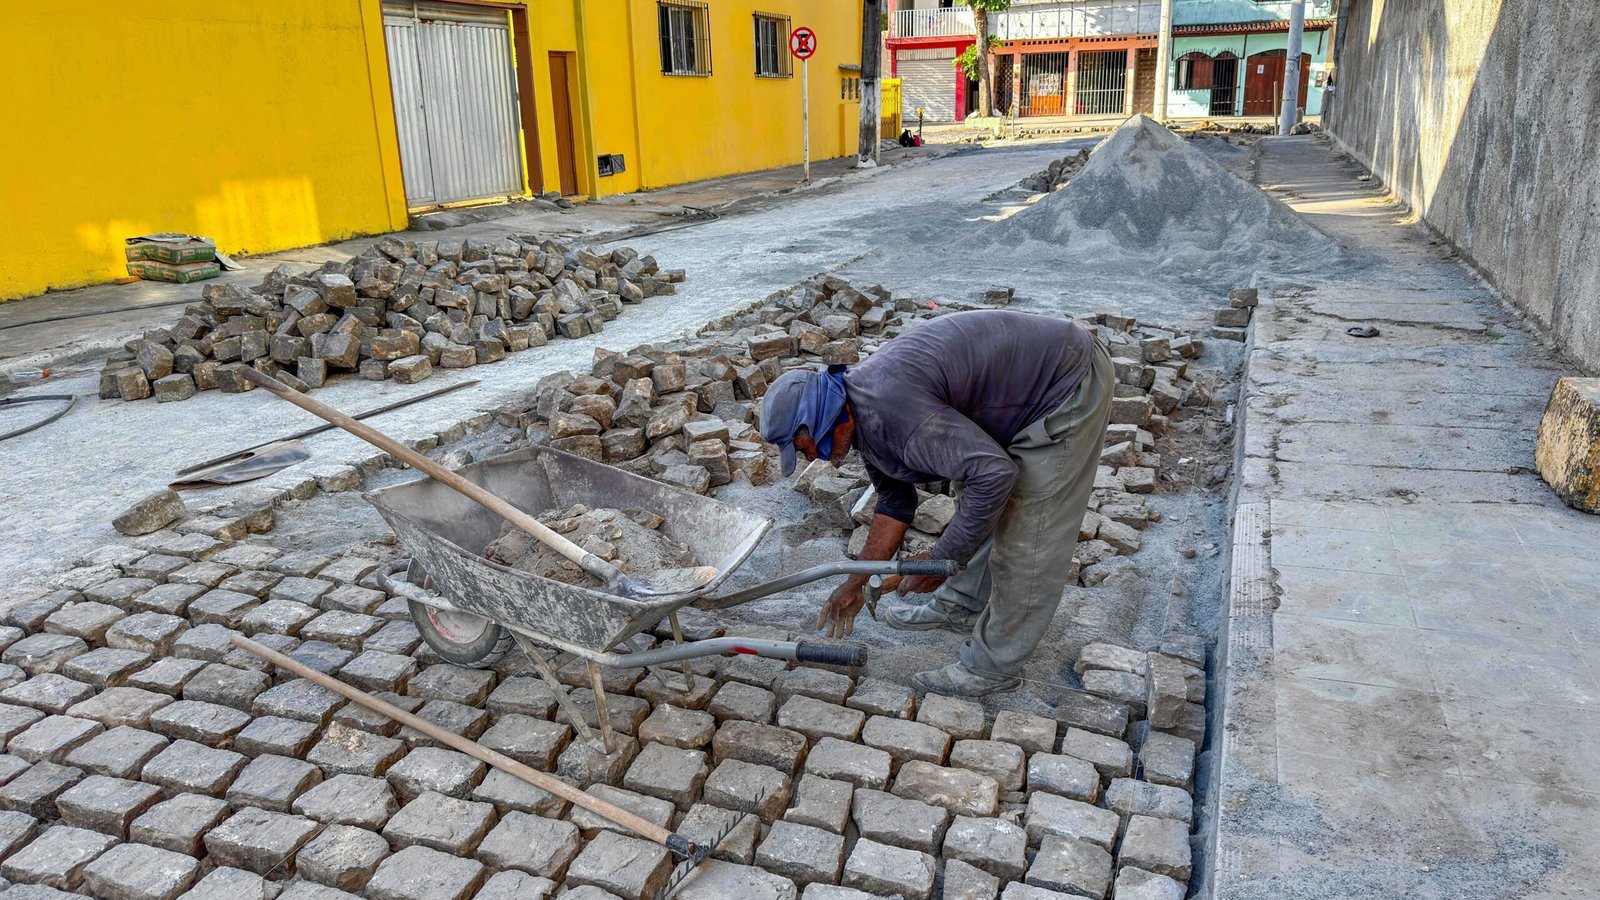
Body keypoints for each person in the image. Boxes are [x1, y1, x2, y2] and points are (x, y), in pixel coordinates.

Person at [760, 310, 1114, 696]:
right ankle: (962, 605)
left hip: (1064, 385)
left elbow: (995, 475)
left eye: (803, 445)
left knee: (1029, 531)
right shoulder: (863, 414)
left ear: (820, 419)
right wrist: (855, 582)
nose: (812, 458)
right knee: (976, 498)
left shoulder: (894, 414)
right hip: (1017, 388)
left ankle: (993, 668)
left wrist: (942, 562)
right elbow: (895, 501)